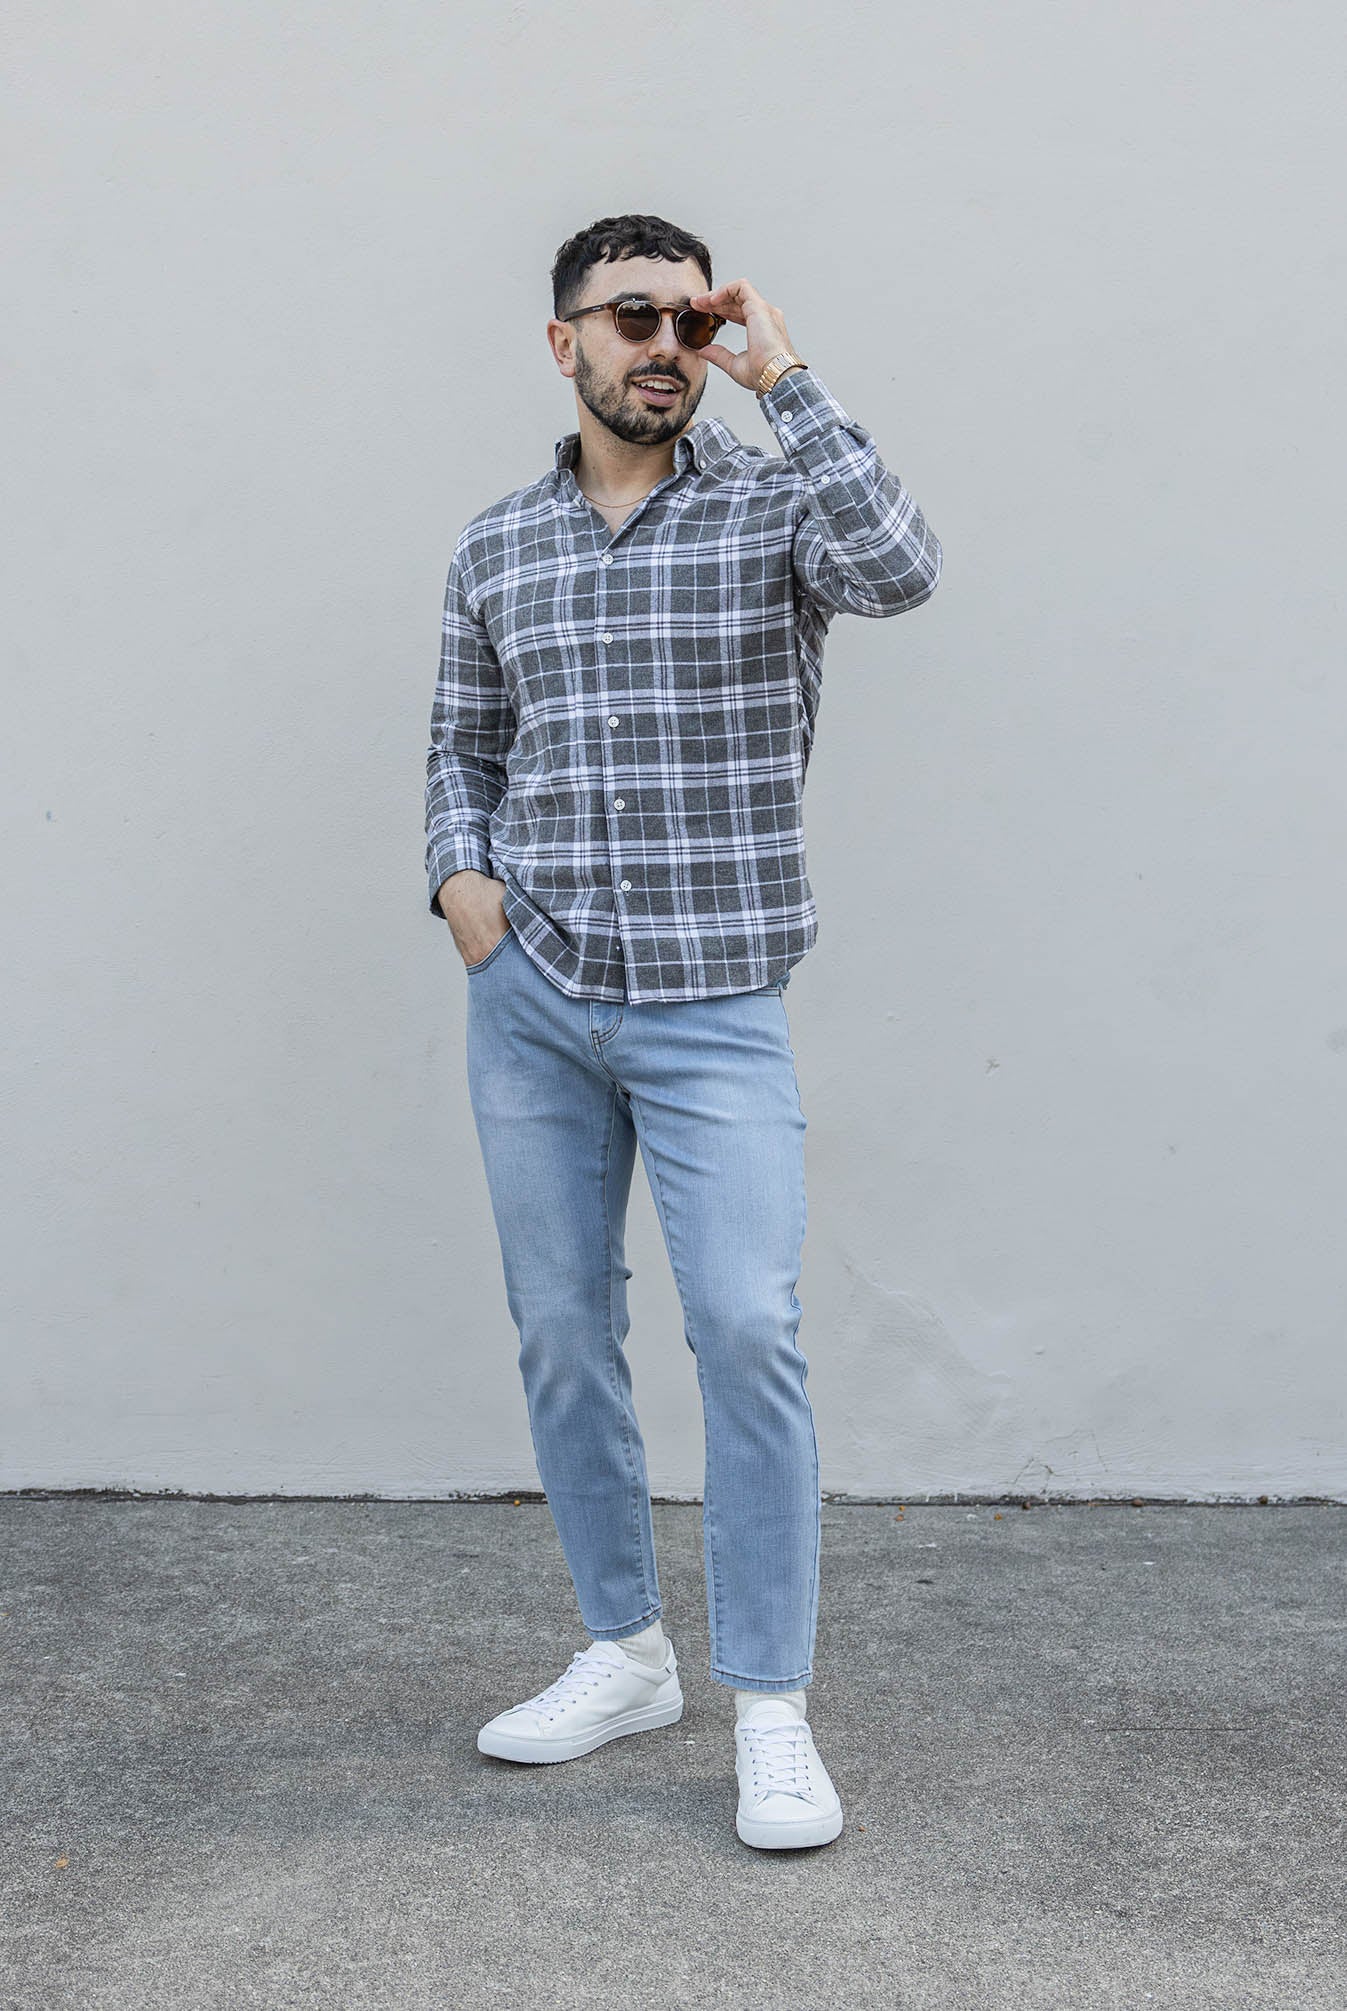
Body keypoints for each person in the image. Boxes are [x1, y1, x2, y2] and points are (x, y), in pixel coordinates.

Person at [424, 212, 941, 1851]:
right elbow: (463, 744)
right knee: (563, 1334)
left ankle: (771, 1707)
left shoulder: (780, 506)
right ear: (564, 342)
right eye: (630, 315)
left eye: (688, 318)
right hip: (535, 998)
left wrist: (783, 372)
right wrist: (461, 882)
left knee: (746, 1328)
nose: (663, 343)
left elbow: (903, 569)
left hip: (714, 1000)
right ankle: (625, 1652)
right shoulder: (497, 545)